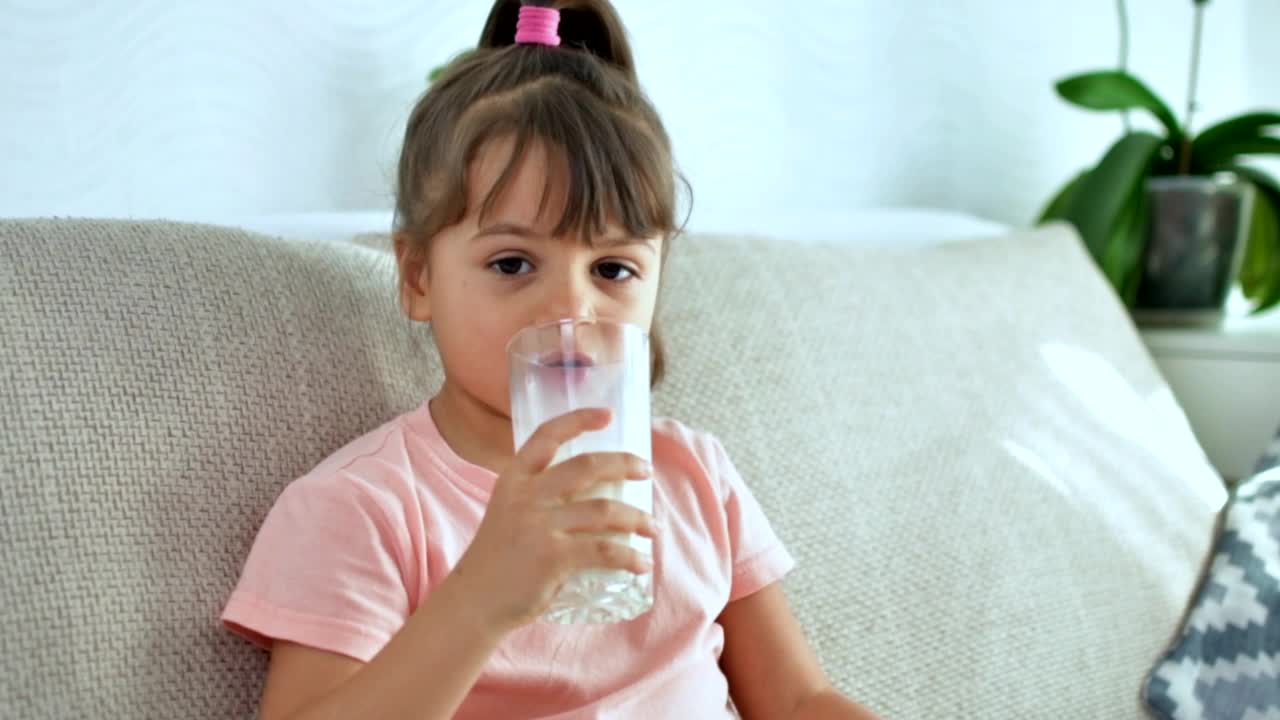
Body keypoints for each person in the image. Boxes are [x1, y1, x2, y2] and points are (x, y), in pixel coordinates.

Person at [221, 2, 880, 718]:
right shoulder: (365, 508)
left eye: (613, 270)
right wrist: (479, 598)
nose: (571, 310)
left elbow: (797, 700)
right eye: (512, 263)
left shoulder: (694, 478)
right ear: (417, 278)